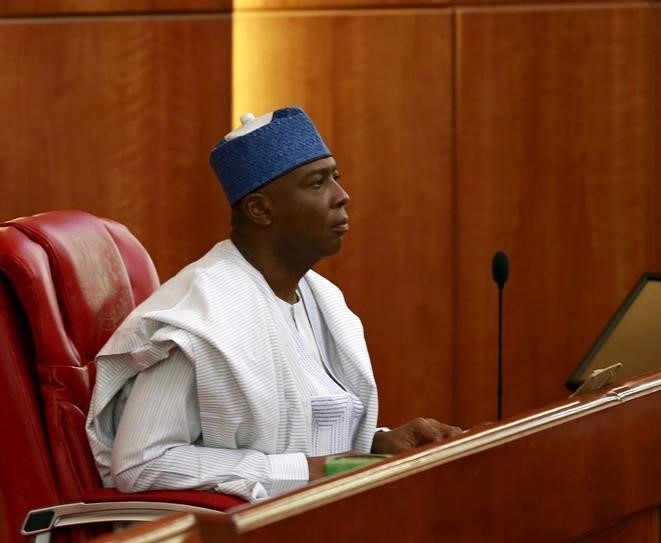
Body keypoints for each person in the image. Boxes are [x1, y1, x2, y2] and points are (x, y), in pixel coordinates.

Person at [85, 107, 461, 502]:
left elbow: (306, 432)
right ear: (260, 210)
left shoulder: (322, 298)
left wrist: (377, 444)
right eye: (317, 183)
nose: (341, 196)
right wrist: (306, 471)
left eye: (336, 177)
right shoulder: (202, 319)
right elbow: (141, 465)